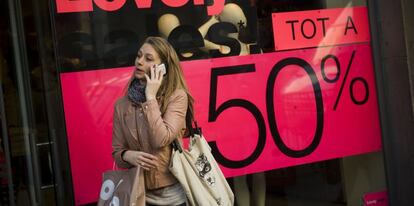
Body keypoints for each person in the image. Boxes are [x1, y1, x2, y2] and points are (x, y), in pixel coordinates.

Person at [112, 36, 194, 206]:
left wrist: (150, 97)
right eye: (139, 56)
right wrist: (128, 156)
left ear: (163, 67)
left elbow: (161, 139)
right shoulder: (122, 105)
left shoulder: (177, 97)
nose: (139, 62)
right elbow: (117, 152)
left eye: (148, 59)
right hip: (138, 194)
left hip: (172, 195)